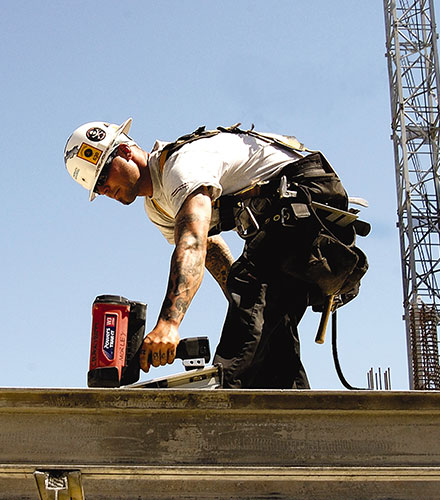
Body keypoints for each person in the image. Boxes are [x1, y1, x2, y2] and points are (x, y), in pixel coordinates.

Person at [64, 118, 368, 389]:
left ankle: (233, 396)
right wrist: (244, 308)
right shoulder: (157, 208)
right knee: (268, 331)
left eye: (104, 176)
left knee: (253, 297)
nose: (103, 189)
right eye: (96, 187)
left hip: (305, 195)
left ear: (126, 151)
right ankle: (294, 410)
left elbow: (193, 242)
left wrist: (169, 324)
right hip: (279, 224)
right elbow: (209, 250)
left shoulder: (180, 166)